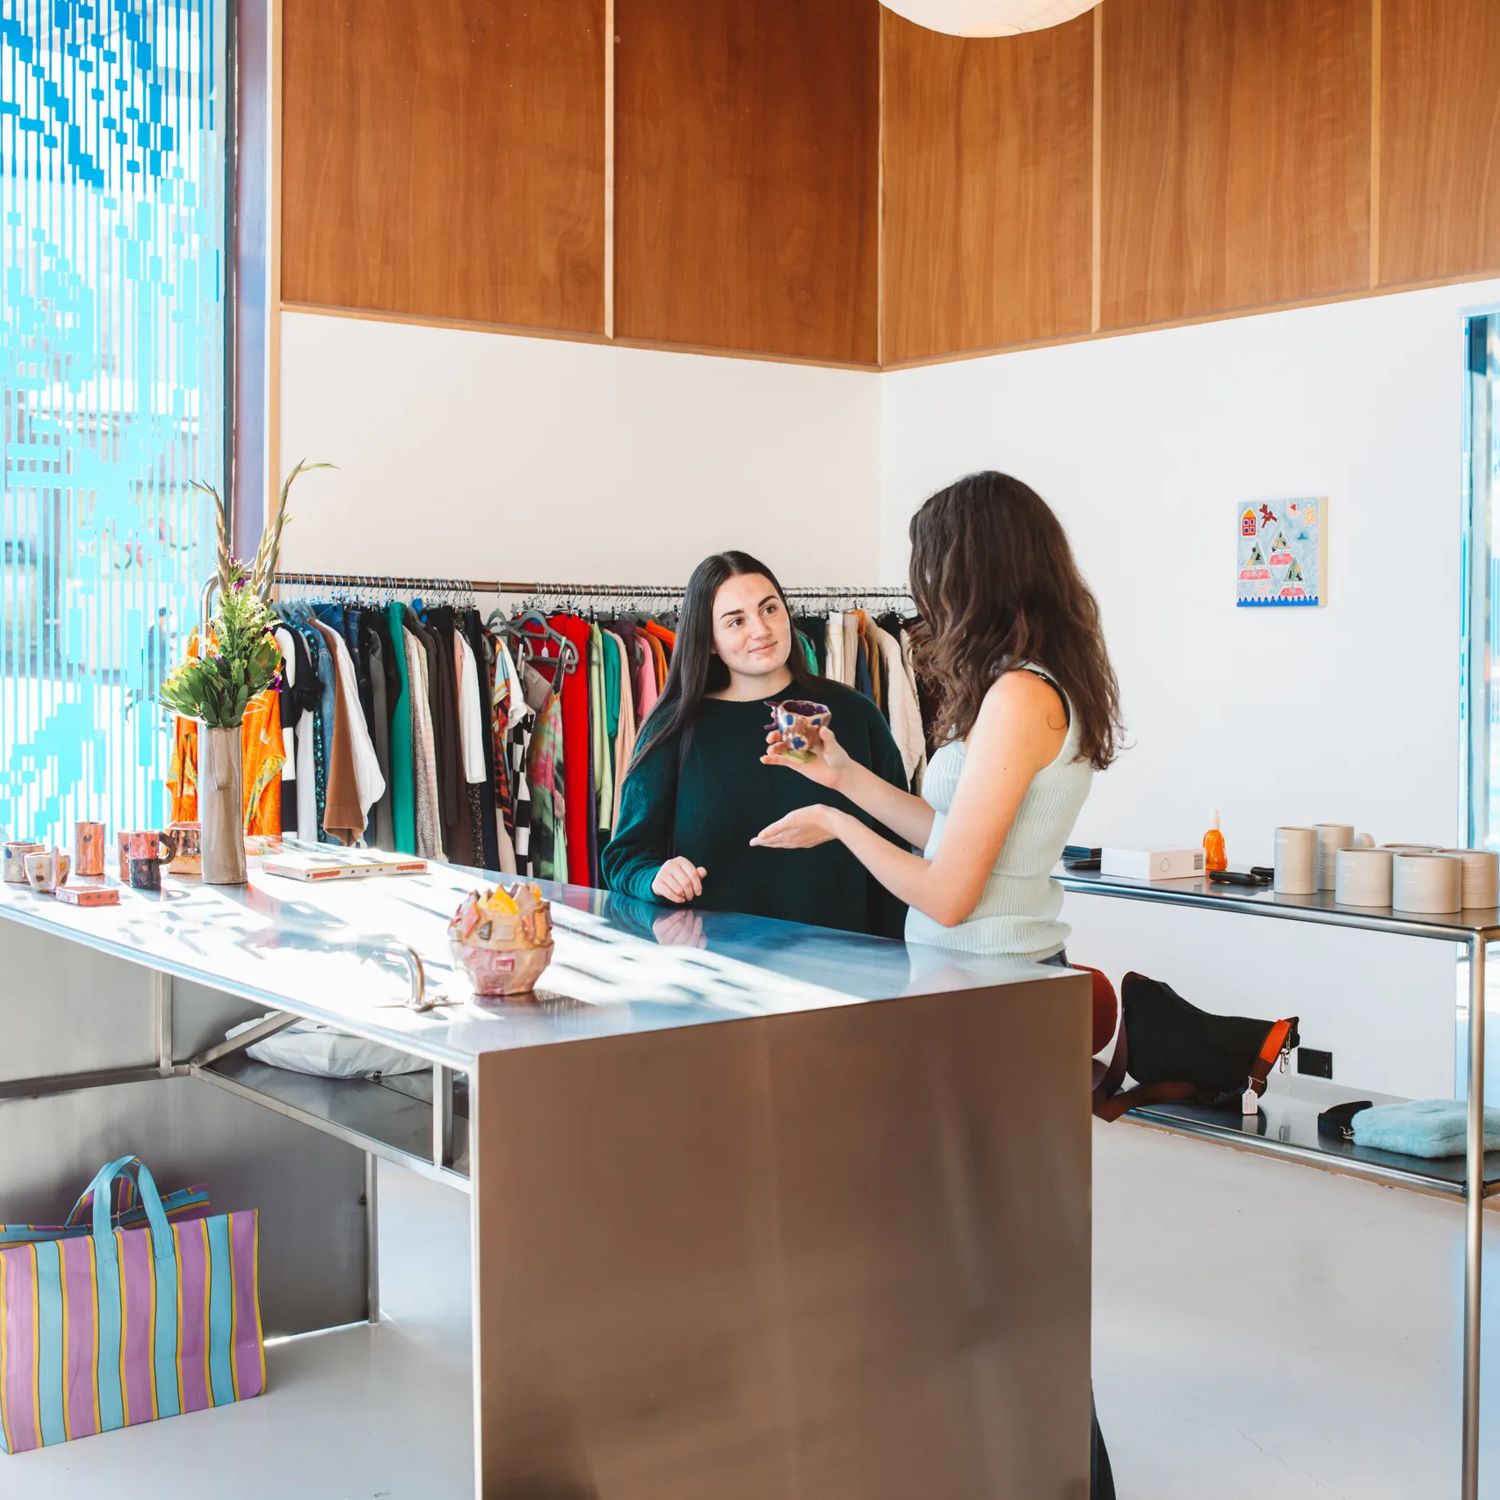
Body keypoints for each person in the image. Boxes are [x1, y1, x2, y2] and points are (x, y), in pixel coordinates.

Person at [751, 470, 1122, 1498]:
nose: (924, 590)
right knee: (981, 1264)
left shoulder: (1019, 695)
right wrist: (843, 783)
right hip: (979, 992)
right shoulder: (1038, 682)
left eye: (931, 567)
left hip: (990, 998)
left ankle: (1063, 1478)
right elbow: (955, 837)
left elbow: (951, 891)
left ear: (973, 566)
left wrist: (835, 830)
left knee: (1003, 1272)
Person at [602, 550, 909, 937]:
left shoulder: (855, 714)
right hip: (716, 972)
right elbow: (624, 858)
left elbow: (898, 847)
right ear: (709, 640)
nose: (761, 630)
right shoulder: (675, 726)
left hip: (845, 970)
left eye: (769, 610)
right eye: (736, 621)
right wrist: (656, 877)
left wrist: (894, 966)